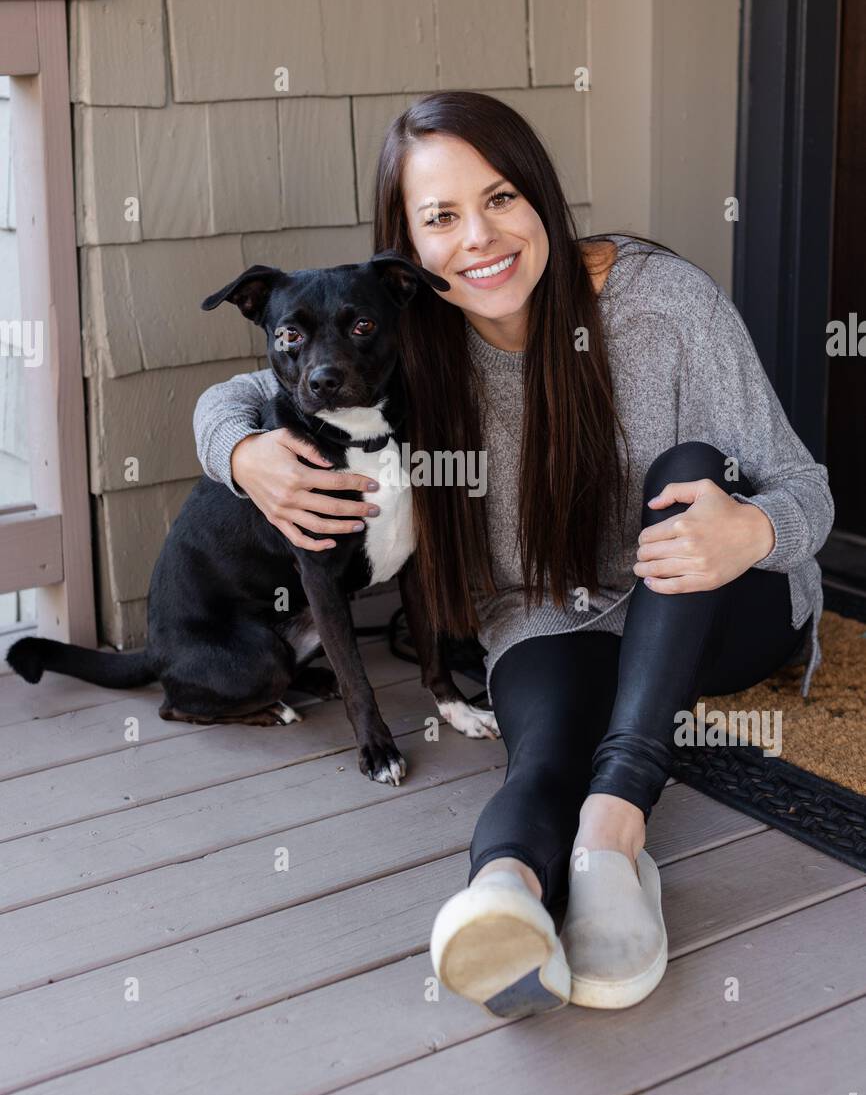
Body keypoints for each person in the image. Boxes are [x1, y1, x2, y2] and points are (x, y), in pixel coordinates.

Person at [192, 90, 833, 1018]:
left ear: (538, 195)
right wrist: (243, 456)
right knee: (538, 761)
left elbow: (804, 484)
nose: (479, 239)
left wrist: (755, 530)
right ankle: (502, 900)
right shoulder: (404, 335)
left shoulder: (662, 303)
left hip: (727, 601)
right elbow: (244, 391)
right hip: (550, 615)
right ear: (408, 250)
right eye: (441, 217)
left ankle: (613, 839)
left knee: (691, 470)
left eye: (498, 199)